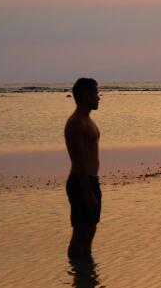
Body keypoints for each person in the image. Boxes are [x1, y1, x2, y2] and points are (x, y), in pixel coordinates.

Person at [65, 78, 101, 259]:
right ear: (86, 96)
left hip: (91, 181)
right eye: (95, 93)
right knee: (80, 232)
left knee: (90, 231)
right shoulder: (75, 123)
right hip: (81, 182)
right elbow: (77, 161)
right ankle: (75, 273)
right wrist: (88, 193)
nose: (99, 97)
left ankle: (87, 274)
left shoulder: (88, 120)